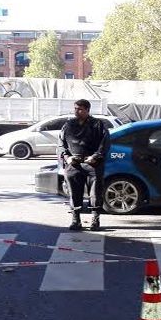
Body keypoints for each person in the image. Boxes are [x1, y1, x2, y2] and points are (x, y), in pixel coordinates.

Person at [59, 99, 109, 231]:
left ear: (87, 110)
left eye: (80, 109)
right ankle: (76, 220)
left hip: (92, 165)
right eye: (75, 108)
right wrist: (67, 157)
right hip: (74, 165)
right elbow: (61, 144)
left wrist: (95, 156)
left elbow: (105, 144)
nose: (77, 111)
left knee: (95, 194)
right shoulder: (68, 125)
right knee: (74, 193)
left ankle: (95, 220)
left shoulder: (98, 124)